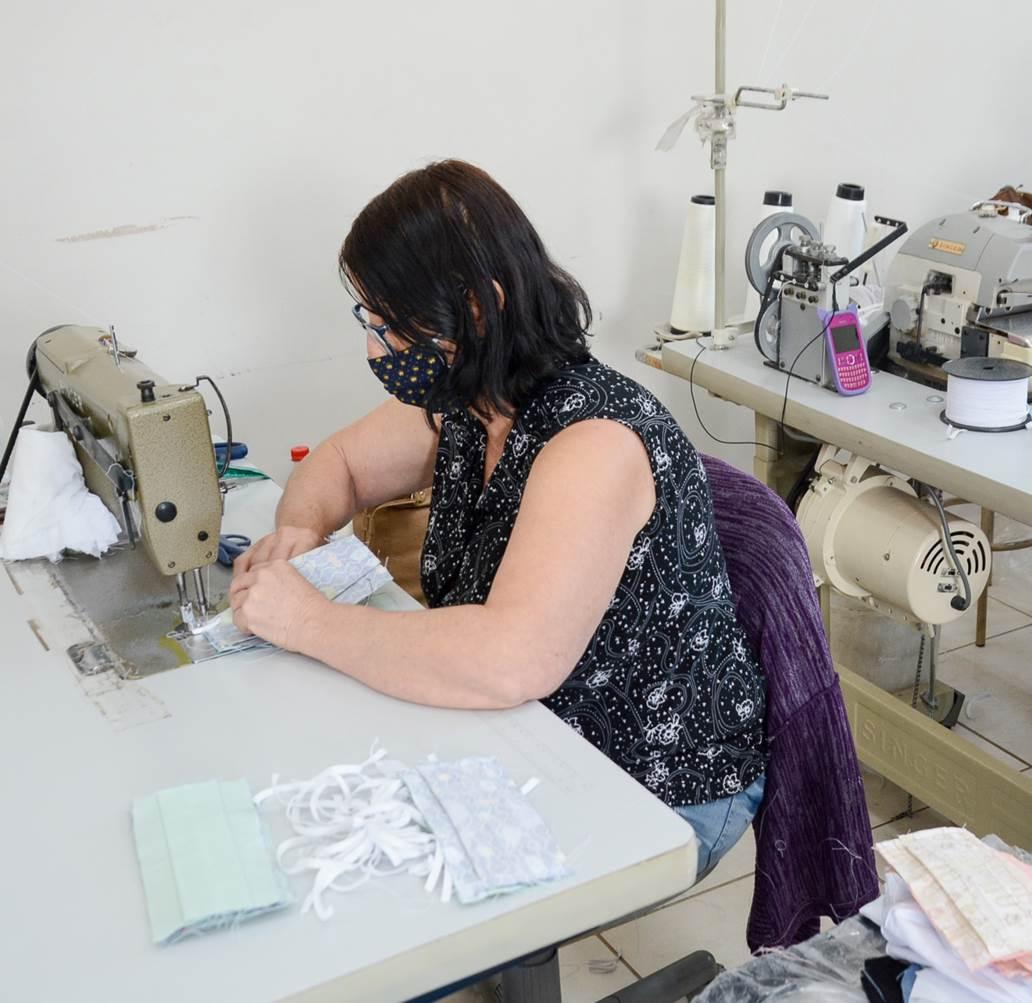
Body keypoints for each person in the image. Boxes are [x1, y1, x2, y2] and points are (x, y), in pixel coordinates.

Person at [230, 160, 766, 876]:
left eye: (391, 326)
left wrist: (308, 621)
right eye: (370, 320)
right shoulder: (472, 400)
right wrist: (300, 528)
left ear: (478, 310)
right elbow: (341, 465)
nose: (374, 348)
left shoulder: (593, 442)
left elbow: (511, 658)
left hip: (659, 778)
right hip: (538, 725)